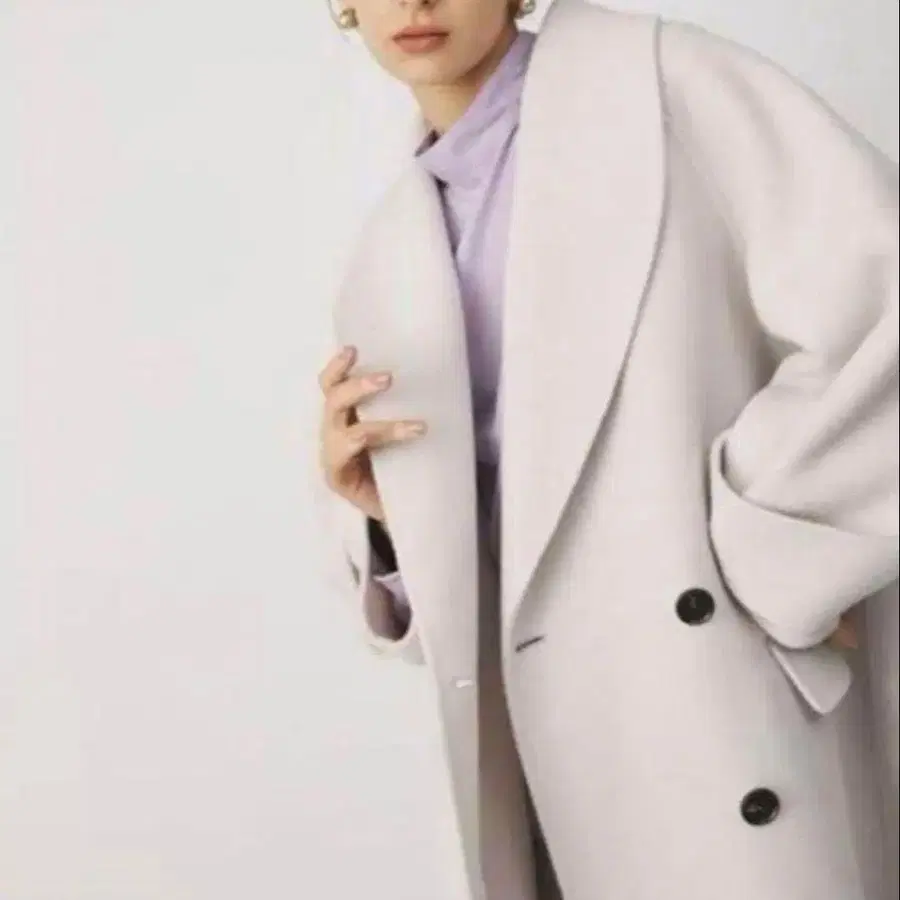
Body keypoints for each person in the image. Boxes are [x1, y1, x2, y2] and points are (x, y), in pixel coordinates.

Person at [313, 1, 899, 897]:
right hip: (566, 743)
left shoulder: (659, 85)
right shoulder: (389, 245)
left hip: (719, 694)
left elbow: (879, 304)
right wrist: (389, 518)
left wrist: (768, 549)